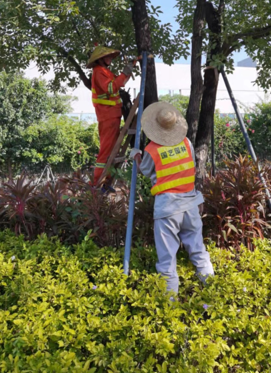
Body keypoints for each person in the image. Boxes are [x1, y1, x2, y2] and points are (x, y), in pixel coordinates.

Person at [130, 101, 214, 293]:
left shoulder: (151, 149)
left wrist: (136, 156)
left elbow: (145, 169)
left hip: (167, 208)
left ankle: (169, 306)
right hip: (190, 204)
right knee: (199, 251)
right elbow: (190, 167)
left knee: (167, 260)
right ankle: (213, 291)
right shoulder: (186, 143)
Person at [87, 45, 136, 188]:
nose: (110, 59)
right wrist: (126, 70)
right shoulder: (99, 72)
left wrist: (129, 68)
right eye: (107, 57)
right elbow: (112, 87)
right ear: (100, 59)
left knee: (110, 150)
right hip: (107, 115)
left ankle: (105, 181)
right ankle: (96, 183)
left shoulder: (105, 71)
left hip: (112, 114)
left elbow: (120, 83)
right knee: (106, 151)